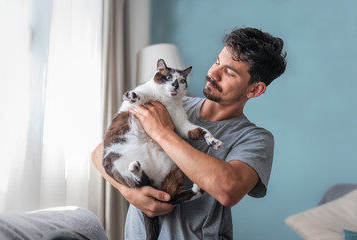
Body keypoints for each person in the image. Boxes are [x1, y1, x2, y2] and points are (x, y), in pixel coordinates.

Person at [93, 27, 286, 239]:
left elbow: (229, 189)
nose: (212, 73)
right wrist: (130, 192)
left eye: (229, 72)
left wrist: (163, 133)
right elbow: (100, 151)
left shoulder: (255, 138)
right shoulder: (169, 102)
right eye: (217, 62)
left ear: (254, 90)